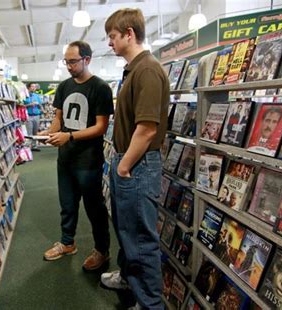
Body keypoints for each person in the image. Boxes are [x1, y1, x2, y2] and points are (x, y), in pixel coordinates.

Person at [101, 8, 169, 309]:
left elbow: (146, 128)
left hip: (138, 165)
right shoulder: (134, 70)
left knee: (141, 240)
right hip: (129, 162)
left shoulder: (148, 70)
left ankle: (150, 305)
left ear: (130, 33)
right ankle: (130, 280)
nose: (110, 43)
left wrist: (125, 166)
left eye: (113, 36)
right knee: (127, 231)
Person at [41, 40, 113, 271]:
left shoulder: (101, 88)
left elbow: (101, 127)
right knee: (67, 204)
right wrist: (50, 132)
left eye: (73, 61)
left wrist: (69, 137)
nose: (69, 66)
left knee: (95, 208)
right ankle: (67, 242)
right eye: (66, 61)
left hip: (89, 160)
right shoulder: (63, 87)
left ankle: (102, 250)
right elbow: (58, 118)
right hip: (66, 158)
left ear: (87, 59)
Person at [23, 82, 42, 151]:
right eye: (32, 86)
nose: (34, 88)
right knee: (29, 132)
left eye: (35, 87)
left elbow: (40, 105)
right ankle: (28, 147)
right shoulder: (24, 96)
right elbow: (21, 106)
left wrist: (39, 106)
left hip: (37, 116)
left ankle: (34, 146)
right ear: (28, 87)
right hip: (28, 116)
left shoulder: (37, 96)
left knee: (35, 132)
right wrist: (30, 104)